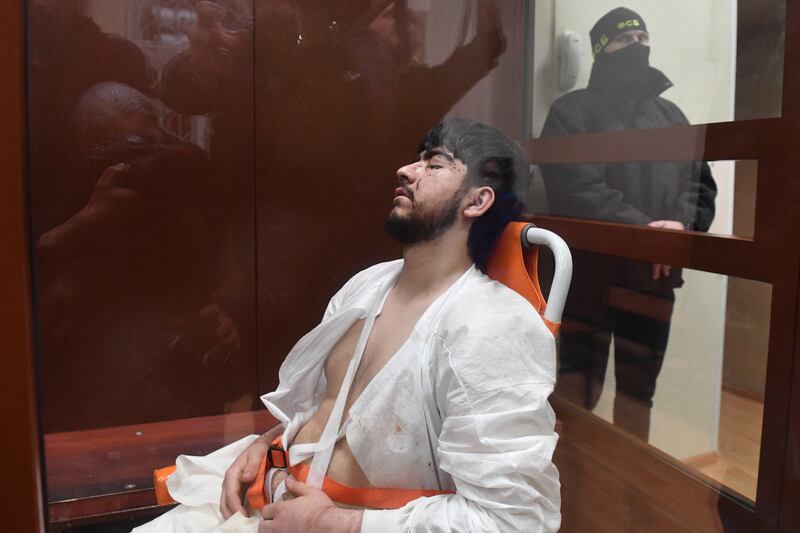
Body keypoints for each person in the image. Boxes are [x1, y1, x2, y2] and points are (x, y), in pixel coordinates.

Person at [134, 119, 560, 532]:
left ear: (477, 201)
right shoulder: (367, 285)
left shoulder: (492, 327)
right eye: (417, 159)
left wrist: (331, 524)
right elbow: (327, 407)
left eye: (434, 164)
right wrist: (265, 446)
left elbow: (513, 521)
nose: (405, 170)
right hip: (268, 497)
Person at [539, 7, 717, 440]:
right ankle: (571, 476)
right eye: (624, 39)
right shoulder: (570, 112)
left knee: (640, 396)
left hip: (655, 280)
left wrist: (681, 226)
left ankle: (630, 479)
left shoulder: (672, 116)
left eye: (642, 37)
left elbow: (700, 185)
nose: (637, 45)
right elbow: (576, 189)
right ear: (601, 49)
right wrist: (646, 235)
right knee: (577, 391)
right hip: (591, 281)